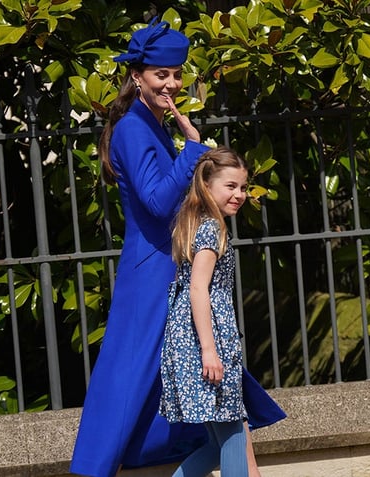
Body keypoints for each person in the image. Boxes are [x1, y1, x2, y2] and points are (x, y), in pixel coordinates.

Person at [69, 18, 285, 477]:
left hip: (166, 266)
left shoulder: (151, 124)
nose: (171, 83)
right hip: (150, 272)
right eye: (160, 74)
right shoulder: (133, 128)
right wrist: (192, 148)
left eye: (176, 73)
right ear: (137, 77)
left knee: (210, 392)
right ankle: (94, 468)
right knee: (128, 380)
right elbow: (154, 200)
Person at [160, 147, 254, 476]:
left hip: (190, 338)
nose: (239, 194)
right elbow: (199, 288)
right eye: (230, 186)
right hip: (205, 340)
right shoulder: (212, 228)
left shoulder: (197, 222)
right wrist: (209, 350)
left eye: (243, 187)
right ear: (208, 184)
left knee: (219, 440)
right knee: (232, 436)